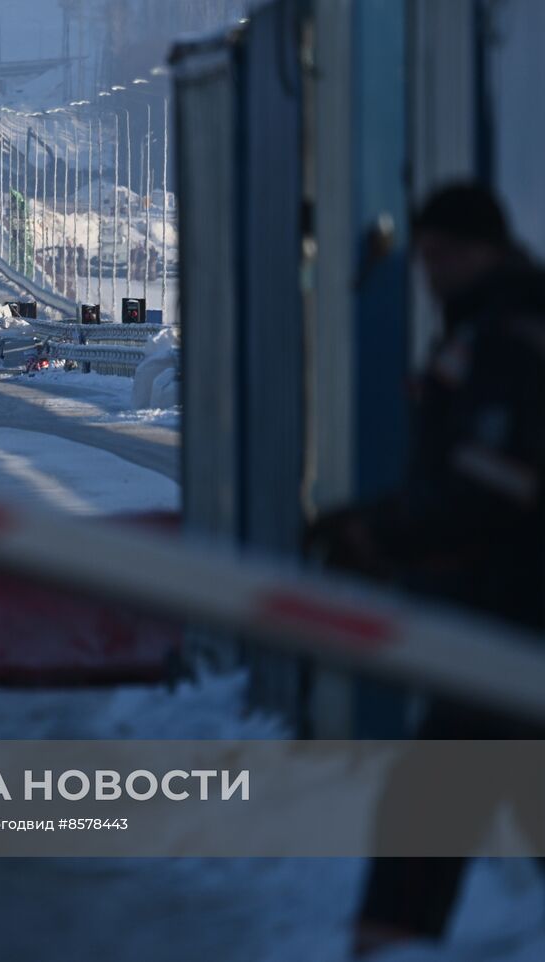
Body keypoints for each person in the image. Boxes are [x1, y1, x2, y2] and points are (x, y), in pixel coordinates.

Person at [304, 184, 545, 957]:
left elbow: (492, 489)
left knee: (423, 817)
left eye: (441, 256)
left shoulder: (510, 336)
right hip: (488, 624)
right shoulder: (483, 328)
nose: (429, 274)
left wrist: (384, 533)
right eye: (425, 257)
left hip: (506, 621)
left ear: (484, 249)